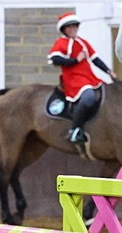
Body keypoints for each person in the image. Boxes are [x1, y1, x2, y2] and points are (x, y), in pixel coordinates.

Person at [47, 12, 113, 145]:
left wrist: (108, 71)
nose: (72, 30)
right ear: (64, 30)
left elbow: (95, 59)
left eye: (74, 27)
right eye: (69, 27)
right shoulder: (61, 43)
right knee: (88, 97)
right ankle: (74, 129)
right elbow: (55, 58)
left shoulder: (83, 43)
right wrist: (75, 60)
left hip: (89, 77)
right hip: (73, 79)